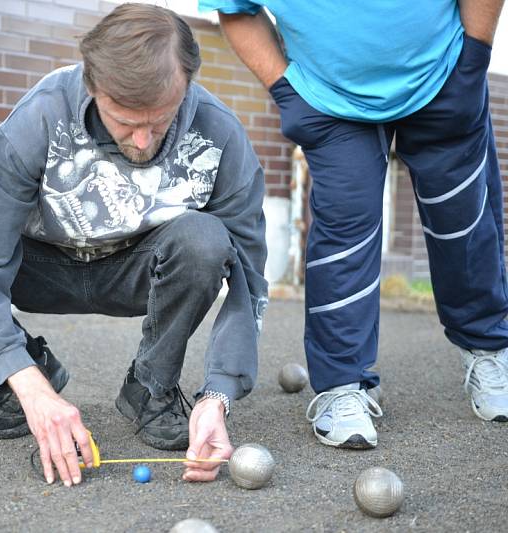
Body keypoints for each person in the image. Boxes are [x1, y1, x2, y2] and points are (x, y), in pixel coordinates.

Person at [0, 3, 268, 485]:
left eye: (160, 121)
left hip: (138, 269)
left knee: (207, 238)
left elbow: (249, 275)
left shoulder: (220, 134)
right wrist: (26, 382)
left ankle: (151, 386)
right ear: (92, 85)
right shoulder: (39, 117)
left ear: (187, 84)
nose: (143, 142)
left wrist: (218, 394)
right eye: (125, 121)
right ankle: (24, 380)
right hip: (40, 264)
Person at [201, 0, 508, 449]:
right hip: (329, 97)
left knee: (463, 225)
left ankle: (489, 350)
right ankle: (342, 386)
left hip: (443, 75)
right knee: (343, 238)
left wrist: (475, 55)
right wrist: (286, 90)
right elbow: (236, 9)